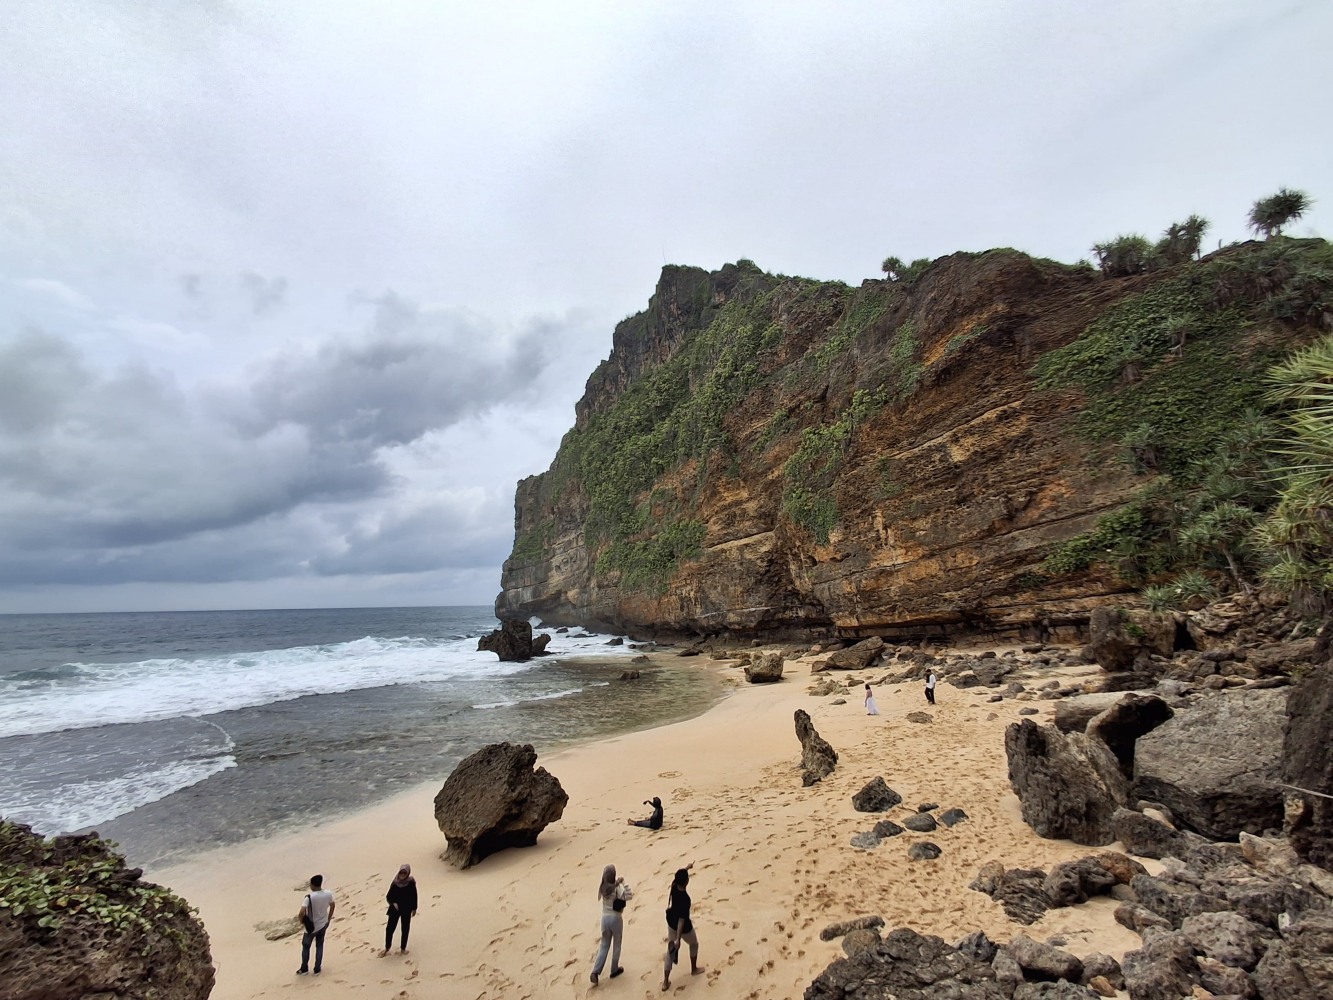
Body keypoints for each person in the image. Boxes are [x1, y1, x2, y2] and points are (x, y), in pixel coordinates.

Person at [662, 863, 703, 991]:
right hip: (683, 928)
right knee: (694, 944)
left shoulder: (674, 887)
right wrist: (678, 939)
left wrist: (687, 867)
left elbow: (678, 876)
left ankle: (665, 982)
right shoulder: (685, 899)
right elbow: (682, 920)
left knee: (670, 952)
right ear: (687, 882)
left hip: (670, 924)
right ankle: (694, 969)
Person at [590, 863, 632, 985]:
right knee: (616, 945)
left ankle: (595, 971)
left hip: (604, 919)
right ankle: (614, 969)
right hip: (616, 919)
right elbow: (628, 895)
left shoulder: (602, 888)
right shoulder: (617, 888)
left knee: (604, 945)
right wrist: (624, 883)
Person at [297, 874, 335, 975]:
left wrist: (301, 921)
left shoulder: (309, 897)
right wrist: (329, 919)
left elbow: (301, 913)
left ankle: (304, 968)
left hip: (311, 927)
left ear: (313, 885)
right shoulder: (328, 893)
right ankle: (317, 968)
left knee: (306, 946)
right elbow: (332, 905)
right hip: (323, 924)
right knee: (320, 945)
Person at [380, 864, 417, 957]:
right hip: (395, 909)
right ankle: (387, 948)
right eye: (401, 872)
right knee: (389, 929)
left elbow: (414, 896)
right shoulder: (395, 882)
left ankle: (403, 948)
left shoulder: (411, 882)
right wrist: (393, 903)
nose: (402, 874)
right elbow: (389, 896)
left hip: (406, 909)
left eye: (405, 873)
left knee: (405, 929)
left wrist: (414, 908)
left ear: (408, 873)